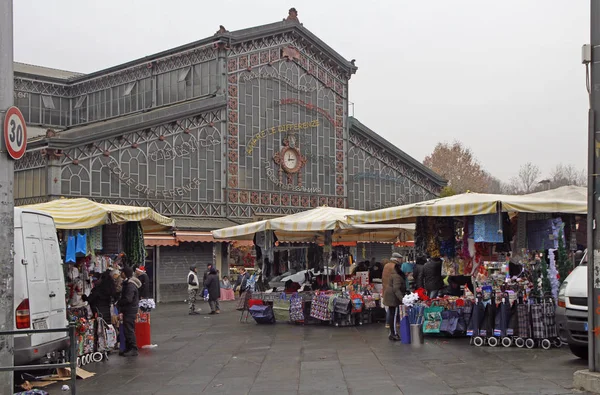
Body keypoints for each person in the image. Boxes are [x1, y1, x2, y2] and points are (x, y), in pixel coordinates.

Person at [117, 266, 141, 357]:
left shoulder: (130, 285)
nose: (120, 274)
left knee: (129, 329)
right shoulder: (128, 283)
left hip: (130, 310)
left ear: (124, 273)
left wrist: (120, 302)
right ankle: (128, 348)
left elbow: (128, 298)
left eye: (121, 272)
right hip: (129, 309)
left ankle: (133, 349)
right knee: (127, 329)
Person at [383, 262, 407, 341]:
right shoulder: (397, 276)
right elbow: (396, 289)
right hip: (393, 298)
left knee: (392, 314)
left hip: (390, 296)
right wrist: (402, 299)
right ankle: (394, 334)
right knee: (393, 315)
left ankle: (392, 333)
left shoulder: (393, 274)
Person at [382, 253, 403, 329]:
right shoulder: (394, 267)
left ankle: (388, 323)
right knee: (393, 309)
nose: (401, 261)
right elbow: (396, 279)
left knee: (390, 308)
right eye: (400, 259)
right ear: (397, 259)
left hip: (386, 288)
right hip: (392, 290)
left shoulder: (386, 265)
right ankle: (392, 324)